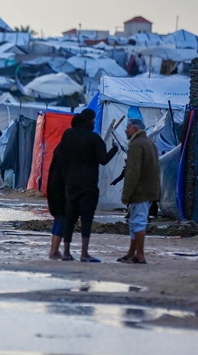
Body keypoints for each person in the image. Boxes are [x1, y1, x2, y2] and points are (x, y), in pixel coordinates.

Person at [55, 109, 119, 262]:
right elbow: (103, 160)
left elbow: (60, 156)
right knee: (86, 218)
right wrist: (114, 149)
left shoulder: (68, 135)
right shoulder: (94, 138)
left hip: (70, 184)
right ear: (90, 120)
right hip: (88, 184)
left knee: (70, 218)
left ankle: (66, 252)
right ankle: (84, 253)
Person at [118, 119, 160, 264]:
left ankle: (140, 255)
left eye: (128, 127)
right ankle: (131, 253)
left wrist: (126, 195)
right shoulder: (150, 143)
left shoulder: (136, 145)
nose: (125, 130)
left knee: (138, 222)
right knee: (135, 222)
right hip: (148, 189)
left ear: (135, 129)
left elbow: (132, 173)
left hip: (140, 190)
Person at [46, 115, 78, 259]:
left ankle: (54, 249)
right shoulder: (67, 152)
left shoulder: (60, 149)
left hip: (55, 189)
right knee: (63, 219)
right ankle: (54, 250)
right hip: (62, 190)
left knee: (59, 219)